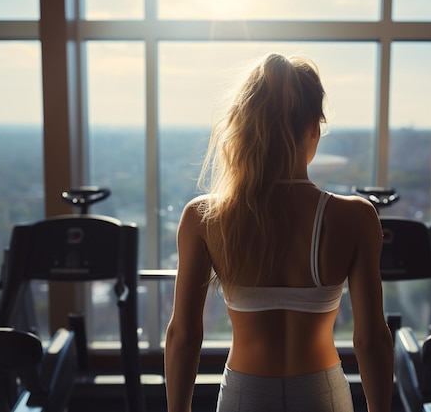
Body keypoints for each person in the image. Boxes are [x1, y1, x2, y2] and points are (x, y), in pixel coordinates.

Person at [164, 52, 393, 412]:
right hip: (322, 395)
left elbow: (184, 336)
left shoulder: (204, 217)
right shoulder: (356, 217)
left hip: (244, 395)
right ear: (313, 129)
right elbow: (371, 339)